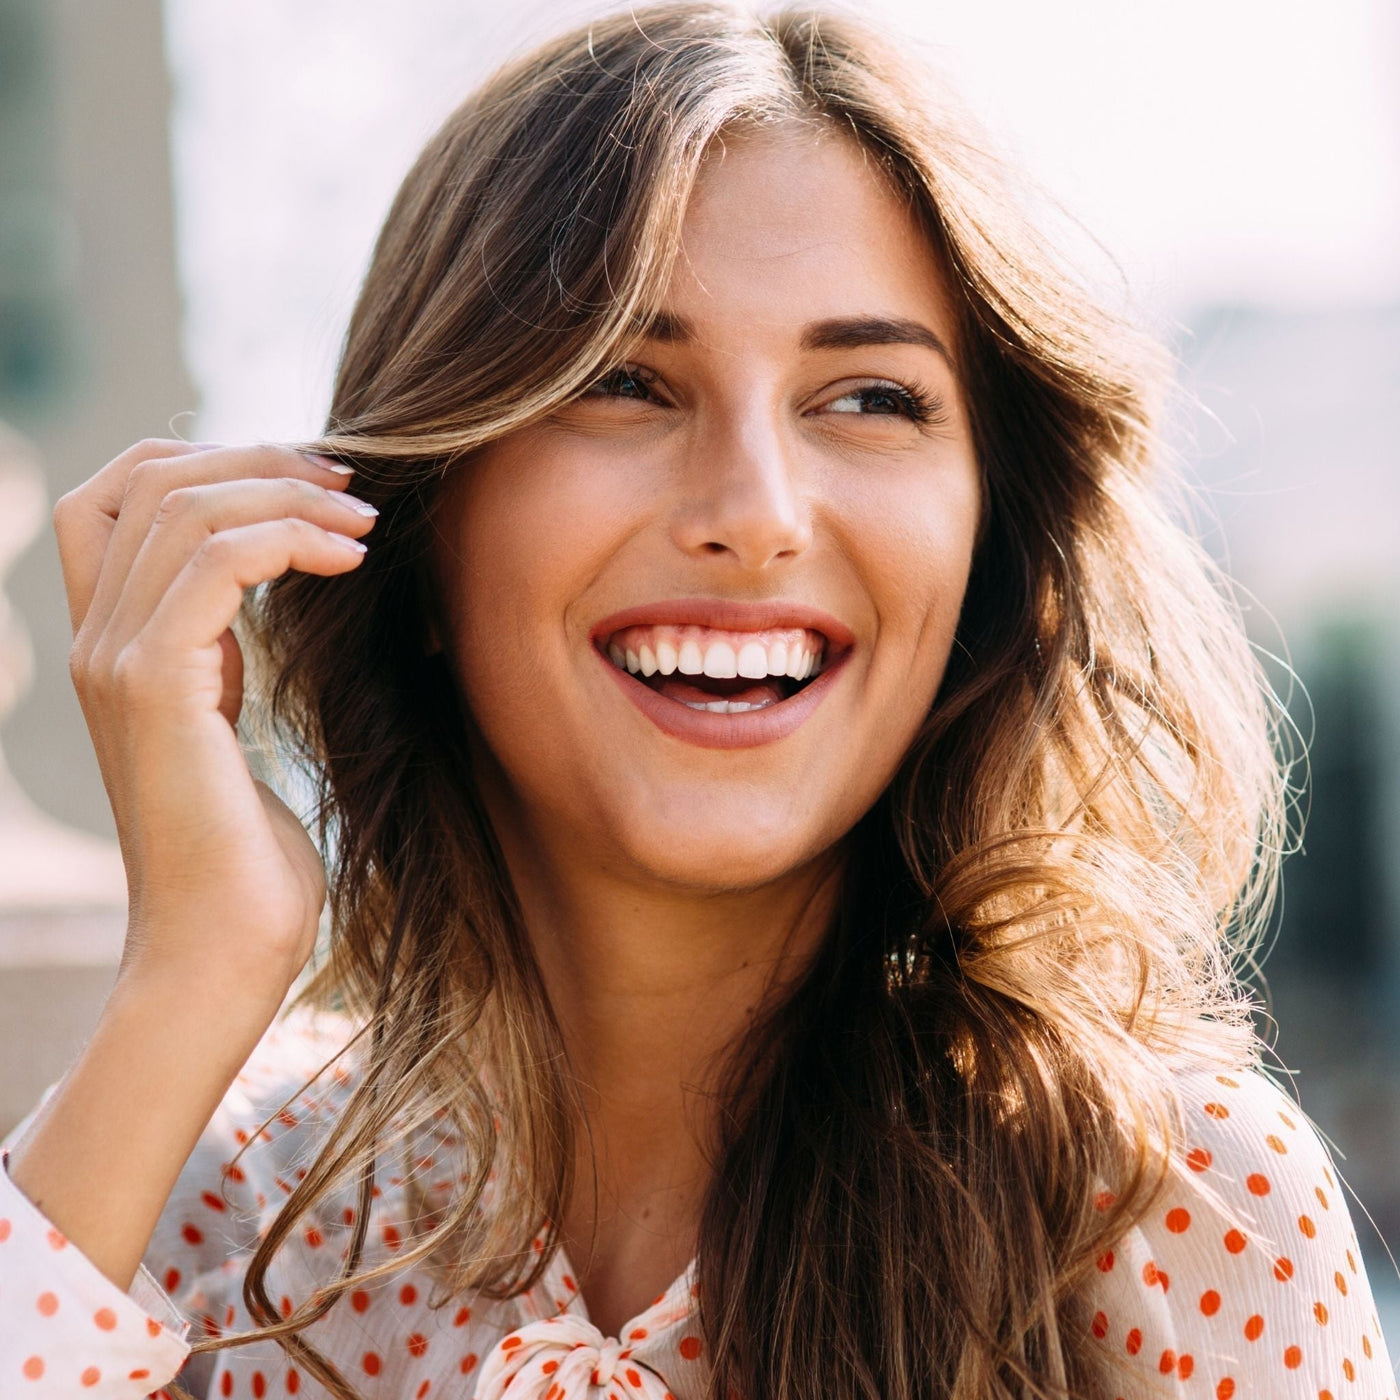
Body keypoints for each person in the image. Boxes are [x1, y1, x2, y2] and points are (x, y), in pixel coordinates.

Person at [1, 4, 1395, 1397]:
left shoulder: (1171, 1208)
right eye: (622, 381)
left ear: (991, 545)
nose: (758, 516)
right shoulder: (215, 1203)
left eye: (868, 398)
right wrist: (191, 972)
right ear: (415, 529)